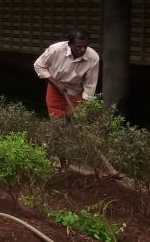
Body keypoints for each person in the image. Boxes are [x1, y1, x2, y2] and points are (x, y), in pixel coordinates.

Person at [34, 28, 119, 178]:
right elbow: (39, 65)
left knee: (80, 129)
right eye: (78, 46)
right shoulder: (56, 50)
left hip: (76, 93)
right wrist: (56, 84)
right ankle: (64, 166)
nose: (82, 50)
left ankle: (102, 168)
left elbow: (90, 86)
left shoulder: (93, 57)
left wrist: (82, 107)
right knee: (58, 129)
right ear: (70, 43)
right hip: (55, 90)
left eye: (85, 46)